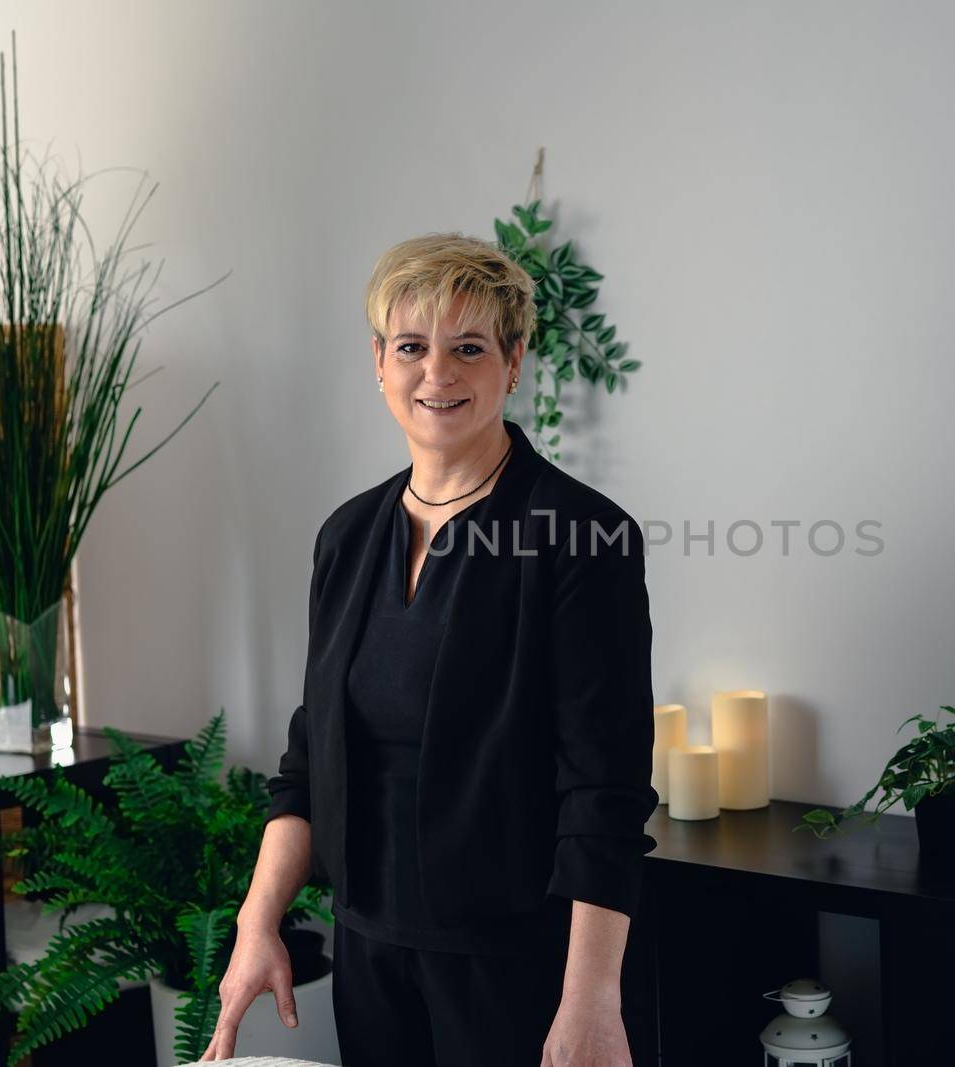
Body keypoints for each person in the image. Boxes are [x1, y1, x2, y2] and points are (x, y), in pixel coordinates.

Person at [201, 233, 658, 1065]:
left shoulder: (583, 537)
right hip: (366, 952)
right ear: (379, 361)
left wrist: (592, 997)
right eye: (412, 346)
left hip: (518, 965)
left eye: (469, 348)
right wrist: (257, 922)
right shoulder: (345, 537)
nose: (437, 373)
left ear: (514, 363)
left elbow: (606, 792)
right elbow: (309, 759)